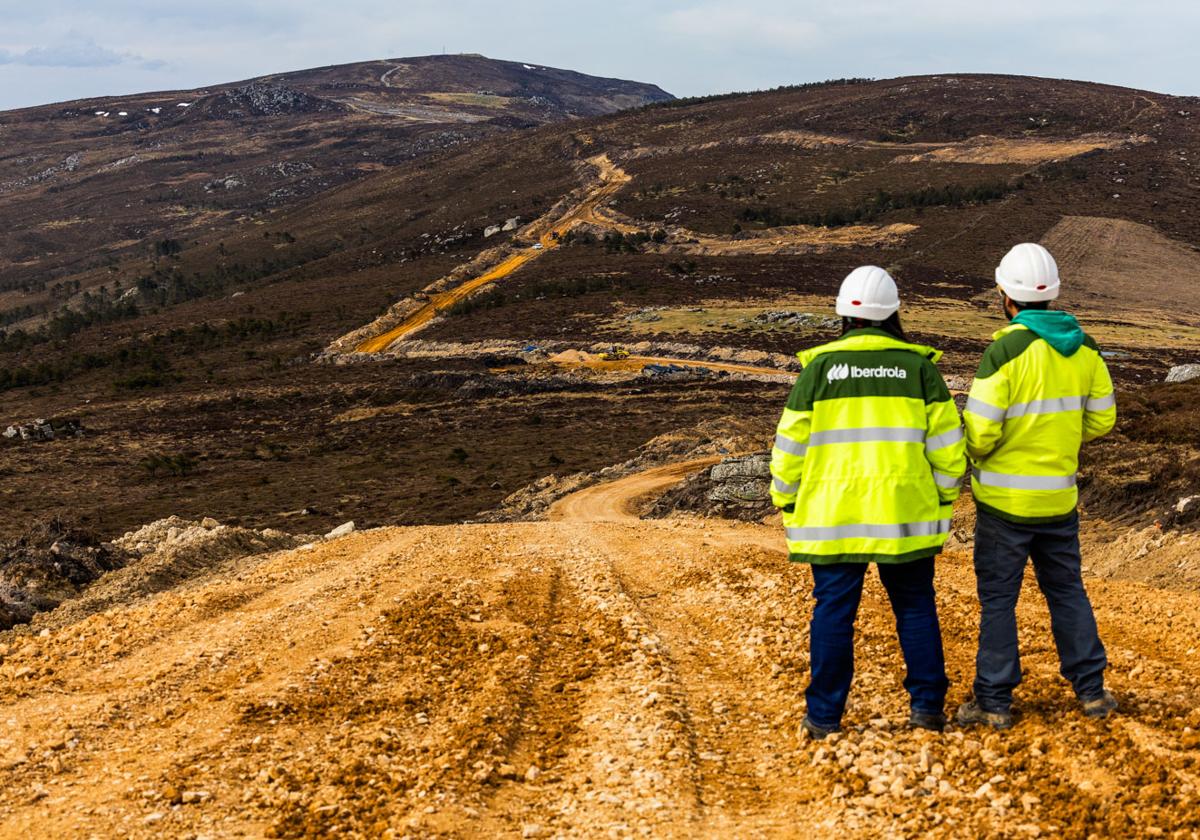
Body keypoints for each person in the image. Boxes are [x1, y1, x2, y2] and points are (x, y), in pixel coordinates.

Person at [770, 266, 966, 738]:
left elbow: (789, 448)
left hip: (833, 516)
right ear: (894, 312)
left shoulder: (818, 370)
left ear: (843, 315)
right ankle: (927, 710)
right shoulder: (921, 369)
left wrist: (787, 500)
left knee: (833, 612)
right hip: (905, 514)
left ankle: (823, 718)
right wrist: (942, 498)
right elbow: (948, 450)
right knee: (915, 606)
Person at [957, 243, 1118, 730]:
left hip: (1005, 504)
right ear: (1052, 294)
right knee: (1067, 591)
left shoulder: (1004, 351)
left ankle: (994, 700)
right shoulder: (1086, 348)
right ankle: (1091, 691)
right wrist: (1062, 438)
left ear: (1005, 295)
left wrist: (984, 454)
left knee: (1000, 600)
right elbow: (1103, 419)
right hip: (1058, 500)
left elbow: (980, 432)